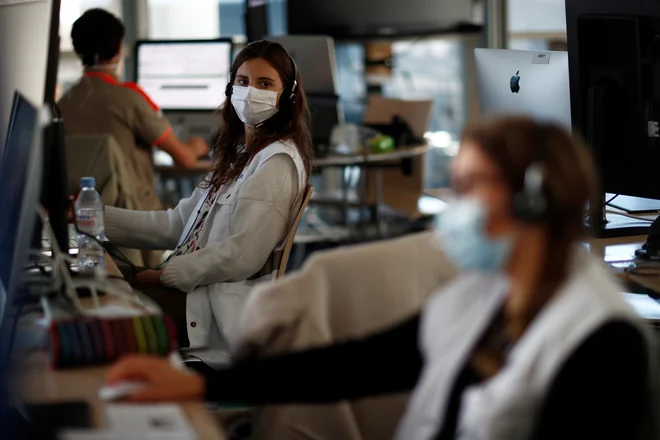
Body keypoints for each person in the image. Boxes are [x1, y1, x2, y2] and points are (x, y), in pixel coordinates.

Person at [106, 117, 658, 439]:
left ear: (532, 201)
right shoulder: (483, 291)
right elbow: (360, 363)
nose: (455, 205)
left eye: (471, 187)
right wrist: (203, 386)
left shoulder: (602, 343)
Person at [103, 40, 313, 369]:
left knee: (102, 317)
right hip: (190, 292)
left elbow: (243, 256)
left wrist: (165, 276)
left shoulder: (277, 163)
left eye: (264, 83)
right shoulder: (237, 154)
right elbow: (177, 225)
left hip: (211, 310)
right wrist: (95, 219)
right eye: (243, 82)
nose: (250, 91)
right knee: (101, 281)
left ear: (286, 96)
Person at [58, 9, 209, 247]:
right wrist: (196, 146)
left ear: (78, 50)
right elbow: (186, 161)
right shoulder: (130, 99)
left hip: (82, 219)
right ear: (118, 49)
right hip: (134, 218)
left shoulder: (62, 104)